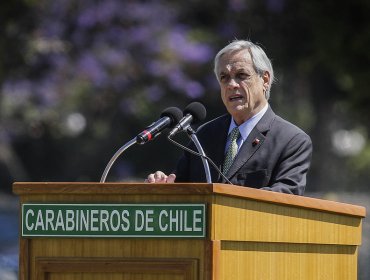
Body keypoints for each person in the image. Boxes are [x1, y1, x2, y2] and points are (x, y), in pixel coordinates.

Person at [146, 39, 312, 195]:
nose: (231, 84)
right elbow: (181, 187)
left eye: (241, 75)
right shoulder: (204, 135)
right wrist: (165, 185)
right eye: (224, 78)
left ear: (265, 80)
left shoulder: (292, 141)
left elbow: (286, 197)